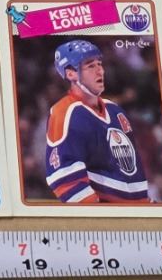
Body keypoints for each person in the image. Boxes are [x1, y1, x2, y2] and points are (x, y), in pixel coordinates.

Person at [42, 39, 149, 204]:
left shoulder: (116, 111)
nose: (100, 71)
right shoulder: (65, 112)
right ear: (70, 74)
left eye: (100, 64)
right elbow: (65, 181)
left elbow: (134, 174)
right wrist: (98, 214)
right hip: (110, 214)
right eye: (90, 66)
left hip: (136, 210)